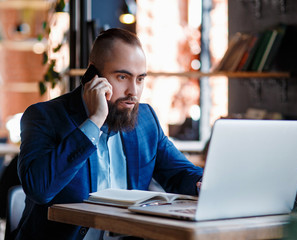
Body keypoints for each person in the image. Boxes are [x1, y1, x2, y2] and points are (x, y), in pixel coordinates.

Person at [15, 28, 203, 240]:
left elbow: (180, 173)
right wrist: (94, 121)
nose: (133, 91)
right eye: (122, 76)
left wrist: (204, 184)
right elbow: (39, 189)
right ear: (93, 75)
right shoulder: (44, 116)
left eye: (140, 79)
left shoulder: (146, 120)